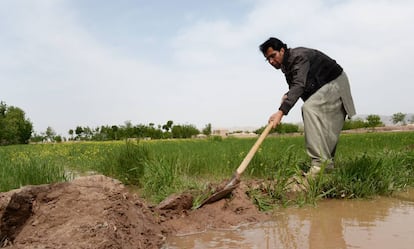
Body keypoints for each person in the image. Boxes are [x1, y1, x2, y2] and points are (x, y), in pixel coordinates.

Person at [259, 37, 356, 176]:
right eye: (267, 59)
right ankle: (326, 170)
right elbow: (297, 86)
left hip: (335, 83)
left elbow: (299, 85)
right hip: (324, 87)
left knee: (309, 109)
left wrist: (281, 112)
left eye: (273, 56)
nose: (271, 61)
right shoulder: (287, 66)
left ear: (282, 50)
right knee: (323, 126)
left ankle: (318, 168)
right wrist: (288, 95)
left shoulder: (298, 57)